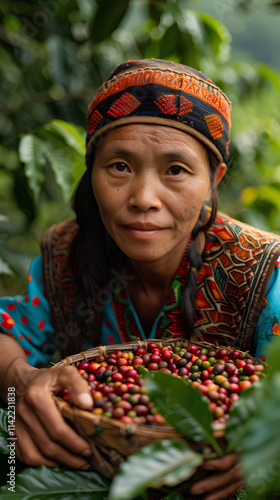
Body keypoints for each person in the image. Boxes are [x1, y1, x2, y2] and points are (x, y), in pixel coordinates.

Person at [1, 58, 280, 499]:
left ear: (214, 180)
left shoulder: (265, 274)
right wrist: (17, 379)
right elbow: (9, 330)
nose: (144, 199)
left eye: (175, 170)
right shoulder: (66, 253)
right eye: (119, 166)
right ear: (92, 172)